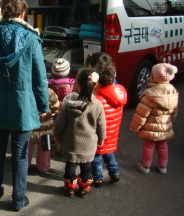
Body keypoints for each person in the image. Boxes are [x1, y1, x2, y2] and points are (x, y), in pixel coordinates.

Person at [0, 0, 49, 211]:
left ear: (3, 10)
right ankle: (18, 199)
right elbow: (39, 76)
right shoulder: (31, 38)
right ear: (23, 12)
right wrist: (44, 106)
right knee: (20, 154)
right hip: (22, 104)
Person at [53, 68, 106, 198]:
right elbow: (101, 124)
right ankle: (83, 188)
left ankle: (70, 188)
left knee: (70, 165)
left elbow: (60, 122)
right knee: (87, 167)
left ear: (77, 84)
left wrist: (57, 134)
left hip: (71, 142)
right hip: (89, 144)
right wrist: (102, 138)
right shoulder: (97, 105)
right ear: (96, 85)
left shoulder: (68, 103)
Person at [129, 63, 179, 174]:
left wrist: (134, 127)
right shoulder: (173, 92)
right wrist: (172, 121)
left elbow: (141, 114)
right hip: (165, 126)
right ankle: (163, 167)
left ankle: (145, 166)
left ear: (154, 77)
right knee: (163, 146)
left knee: (148, 147)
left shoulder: (150, 95)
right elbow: (174, 111)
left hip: (150, 128)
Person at [89, 56, 127, 187]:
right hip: (112, 133)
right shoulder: (119, 93)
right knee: (109, 154)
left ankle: (97, 178)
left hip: (99, 136)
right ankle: (114, 173)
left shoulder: (97, 99)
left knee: (96, 158)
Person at [28, 88, 59, 172]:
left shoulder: (28, 90)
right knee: (45, 149)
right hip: (46, 127)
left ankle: (25, 165)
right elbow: (55, 106)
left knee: (27, 147)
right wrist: (49, 113)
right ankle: (43, 166)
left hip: (30, 125)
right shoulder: (50, 92)